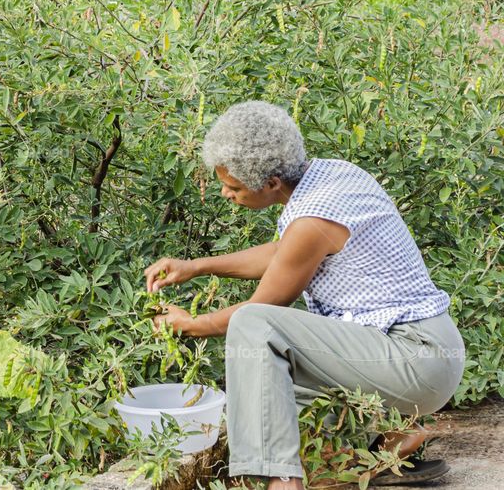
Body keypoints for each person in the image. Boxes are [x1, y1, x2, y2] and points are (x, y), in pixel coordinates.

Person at [143, 101, 464, 489]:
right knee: (263, 393)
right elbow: (283, 253)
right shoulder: (333, 175)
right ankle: (391, 442)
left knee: (253, 325)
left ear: (272, 182)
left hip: (415, 357)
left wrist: (191, 325)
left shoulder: (313, 220)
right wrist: (195, 265)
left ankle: (281, 481)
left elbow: (264, 308)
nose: (226, 194)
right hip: (417, 350)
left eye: (233, 187)